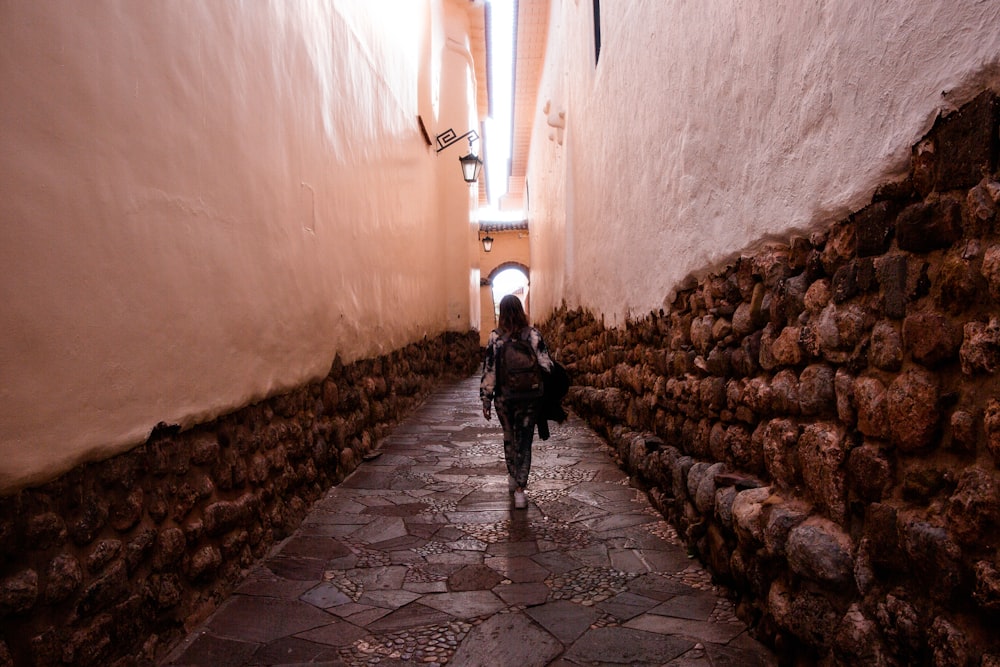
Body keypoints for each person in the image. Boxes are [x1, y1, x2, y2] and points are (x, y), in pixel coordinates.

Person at [480, 294, 553, 509]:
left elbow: (489, 370)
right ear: (521, 310)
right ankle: (521, 489)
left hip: (504, 398)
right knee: (525, 440)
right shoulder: (533, 335)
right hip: (530, 399)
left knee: (510, 437)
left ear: (501, 312)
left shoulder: (496, 337)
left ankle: (513, 477)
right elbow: (547, 366)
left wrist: (486, 399)